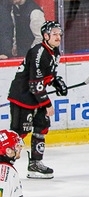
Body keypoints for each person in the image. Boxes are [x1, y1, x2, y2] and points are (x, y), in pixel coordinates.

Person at [6, 20, 67, 180]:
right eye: (54, 34)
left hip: (36, 96)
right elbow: (35, 84)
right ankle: (2, 164)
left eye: (59, 34)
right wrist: (47, 104)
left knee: (42, 126)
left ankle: (35, 164)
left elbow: (48, 75)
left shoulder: (55, 52)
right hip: (23, 96)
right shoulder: (38, 52)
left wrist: (56, 81)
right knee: (19, 133)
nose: (58, 36)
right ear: (45, 36)